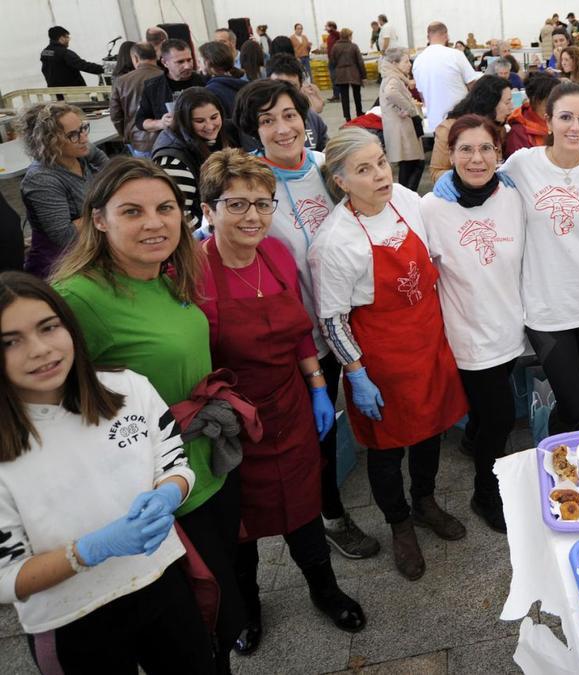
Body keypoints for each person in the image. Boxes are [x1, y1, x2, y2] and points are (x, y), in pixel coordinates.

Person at [51, 157, 243, 671]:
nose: (155, 222)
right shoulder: (79, 299)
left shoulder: (166, 274)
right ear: (98, 219)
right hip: (157, 499)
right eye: (132, 211)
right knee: (192, 637)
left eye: (165, 208)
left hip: (206, 469)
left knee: (220, 616)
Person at [195, 150, 365, 653]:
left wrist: (317, 387)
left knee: (303, 508)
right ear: (209, 209)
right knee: (240, 527)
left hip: (289, 406)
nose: (253, 217)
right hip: (229, 422)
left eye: (263, 204)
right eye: (237, 204)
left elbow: (295, 331)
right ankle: (246, 607)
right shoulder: (191, 270)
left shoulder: (276, 254)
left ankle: (325, 590)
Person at [0, 272, 213, 671]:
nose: (40, 350)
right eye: (10, 342)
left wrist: (169, 491)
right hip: (70, 617)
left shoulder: (128, 387)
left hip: (161, 578)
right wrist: (88, 551)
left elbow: (175, 464)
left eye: (49, 327)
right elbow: (6, 578)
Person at [234, 80, 380, 562]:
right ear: (253, 131)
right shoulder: (250, 186)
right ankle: (330, 515)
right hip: (297, 337)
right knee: (310, 436)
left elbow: (381, 192)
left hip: (349, 319)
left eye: (288, 114)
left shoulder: (325, 168)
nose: (282, 128)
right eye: (266, 120)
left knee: (345, 416)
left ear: (305, 117)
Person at [435, 82, 579, 439]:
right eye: (565, 117)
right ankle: (555, 456)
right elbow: (483, 174)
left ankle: (567, 465)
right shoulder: (524, 164)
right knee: (574, 400)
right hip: (544, 310)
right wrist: (449, 177)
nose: (575, 127)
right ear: (548, 121)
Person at [416, 117, 523, 534]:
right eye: (465, 149)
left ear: (499, 153)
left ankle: (471, 438)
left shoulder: (513, 197)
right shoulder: (431, 208)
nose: (476, 159)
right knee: (501, 417)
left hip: (510, 326)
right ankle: (485, 493)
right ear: (450, 154)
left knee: (486, 412)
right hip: (468, 333)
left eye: (486, 149)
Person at [18, 103, 108, 278]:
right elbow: (66, 236)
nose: (83, 138)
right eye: (73, 134)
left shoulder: (78, 151)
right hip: (61, 266)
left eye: (83, 128)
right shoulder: (41, 180)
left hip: (89, 251)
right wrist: (106, 209)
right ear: (48, 141)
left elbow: (105, 164)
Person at [152, 87, 234, 228]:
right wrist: (210, 234)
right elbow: (178, 214)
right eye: (199, 121)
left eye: (214, 117)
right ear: (184, 121)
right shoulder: (173, 161)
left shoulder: (222, 135)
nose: (209, 126)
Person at [429, 75, 513, 181]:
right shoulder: (449, 129)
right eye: (507, 102)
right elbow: (436, 171)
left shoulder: (499, 128)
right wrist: (453, 179)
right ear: (490, 103)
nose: (511, 106)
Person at [413, 22, 483, 130]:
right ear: (446, 36)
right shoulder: (456, 55)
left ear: (428, 37)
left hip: (436, 122)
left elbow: (422, 95)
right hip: (460, 119)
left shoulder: (418, 61)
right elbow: (473, 85)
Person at [135, 39, 206, 137]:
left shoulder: (204, 82)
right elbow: (141, 121)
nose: (187, 66)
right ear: (164, 62)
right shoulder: (153, 87)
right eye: (180, 62)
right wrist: (161, 123)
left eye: (189, 60)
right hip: (172, 141)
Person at [379, 48, 426, 192]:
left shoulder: (392, 76)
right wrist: (410, 109)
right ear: (394, 63)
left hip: (399, 126)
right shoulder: (393, 78)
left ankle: (405, 193)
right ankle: (407, 193)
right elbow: (391, 93)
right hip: (401, 127)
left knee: (410, 162)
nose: (409, 64)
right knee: (413, 162)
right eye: (405, 61)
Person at [109, 41, 161, 157]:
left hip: (138, 141)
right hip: (167, 140)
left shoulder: (122, 81)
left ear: (135, 58)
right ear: (156, 56)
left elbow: (115, 115)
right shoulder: (166, 76)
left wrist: (125, 135)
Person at [267, 54, 330, 151]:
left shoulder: (313, 118)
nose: (284, 93)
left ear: (301, 87)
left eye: (291, 87)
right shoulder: (259, 122)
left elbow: (326, 152)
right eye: (277, 86)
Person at [505, 72, 559, 154]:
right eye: (548, 103)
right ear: (535, 100)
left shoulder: (559, 122)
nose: (555, 108)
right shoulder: (519, 133)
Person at [199, 41, 246, 119]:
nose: (198, 65)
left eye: (200, 61)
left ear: (207, 63)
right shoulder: (241, 83)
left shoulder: (212, 91)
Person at [329, 28, 366, 121]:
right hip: (354, 72)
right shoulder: (354, 46)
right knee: (357, 94)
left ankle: (347, 116)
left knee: (344, 96)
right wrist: (363, 75)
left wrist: (334, 74)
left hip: (341, 73)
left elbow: (332, 61)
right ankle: (359, 112)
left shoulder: (335, 47)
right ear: (349, 36)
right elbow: (360, 62)